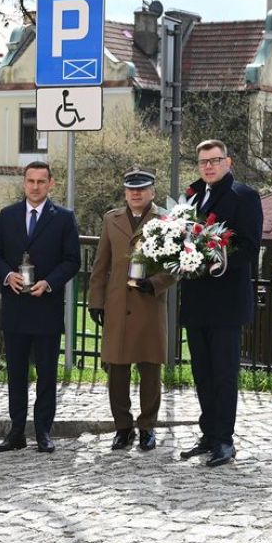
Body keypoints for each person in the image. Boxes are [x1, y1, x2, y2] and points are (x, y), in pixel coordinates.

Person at [0, 161, 80, 454]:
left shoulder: (63, 218)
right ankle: (16, 430)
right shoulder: (8, 215)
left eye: (41, 181)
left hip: (46, 307)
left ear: (51, 183)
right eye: (31, 181)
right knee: (15, 373)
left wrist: (49, 283)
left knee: (47, 374)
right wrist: (6, 275)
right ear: (24, 182)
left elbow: (72, 260)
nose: (35, 186)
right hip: (15, 308)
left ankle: (43, 430)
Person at [179, 140, 264, 468]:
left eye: (215, 160)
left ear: (228, 161)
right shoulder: (192, 195)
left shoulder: (244, 196)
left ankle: (225, 441)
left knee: (224, 373)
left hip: (226, 298)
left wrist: (214, 258)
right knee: (202, 371)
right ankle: (208, 434)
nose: (209, 167)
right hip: (197, 298)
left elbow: (250, 246)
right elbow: (181, 236)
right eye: (203, 162)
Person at [87, 167, 177, 452]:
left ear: (152, 191)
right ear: (125, 192)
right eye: (131, 189)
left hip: (149, 304)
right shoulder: (111, 219)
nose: (136, 193)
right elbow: (101, 265)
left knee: (150, 370)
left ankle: (147, 427)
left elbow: (176, 265)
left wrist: (155, 283)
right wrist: (96, 301)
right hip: (117, 304)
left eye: (142, 188)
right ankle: (122, 427)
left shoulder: (166, 219)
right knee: (117, 369)